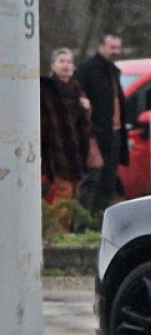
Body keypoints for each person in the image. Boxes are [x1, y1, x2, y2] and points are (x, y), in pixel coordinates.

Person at [76, 34, 130, 213]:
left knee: (108, 178)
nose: (116, 52)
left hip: (113, 132)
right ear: (101, 46)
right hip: (96, 134)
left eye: (118, 48)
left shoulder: (113, 71)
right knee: (93, 179)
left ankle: (99, 217)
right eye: (112, 47)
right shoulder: (87, 70)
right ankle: (85, 219)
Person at [39, 49, 95, 205]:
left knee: (73, 194)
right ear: (53, 65)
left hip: (75, 153)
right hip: (54, 153)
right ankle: (58, 229)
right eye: (61, 61)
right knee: (61, 193)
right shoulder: (46, 89)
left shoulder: (76, 89)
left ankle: (67, 227)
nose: (66, 65)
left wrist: (86, 110)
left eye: (69, 62)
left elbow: (84, 126)